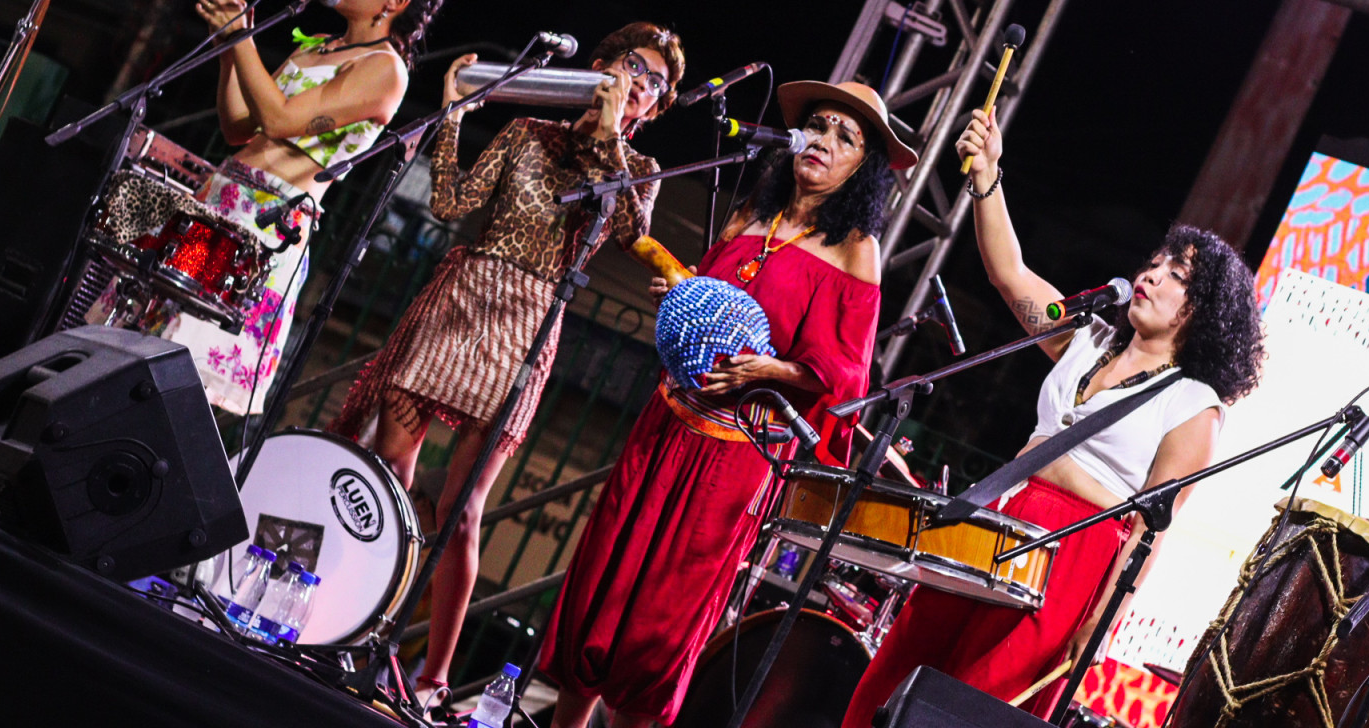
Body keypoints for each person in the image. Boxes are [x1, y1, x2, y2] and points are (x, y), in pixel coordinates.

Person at [839, 109, 1267, 726]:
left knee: (969, 706)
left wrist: (1098, 624)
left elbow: (1153, 528)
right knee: (898, 677)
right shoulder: (1084, 339)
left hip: (1073, 555)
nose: (1151, 275)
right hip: (994, 522)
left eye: (1176, 277)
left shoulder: (1194, 404)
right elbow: (1008, 272)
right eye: (1156, 262)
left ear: (1201, 314)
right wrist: (988, 174)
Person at [537, 80, 916, 728]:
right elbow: (708, 314)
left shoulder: (855, 248)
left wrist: (769, 368)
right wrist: (681, 296)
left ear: (863, 167)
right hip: (668, 425)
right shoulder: (750, 217)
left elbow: (847, 376)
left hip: (735, 458)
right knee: (605, 585)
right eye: (819, 125)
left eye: (843, 136)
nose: (822, 140)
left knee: (661, 620)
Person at [326, 22, 685, 702]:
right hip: (462, 296)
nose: (644, 83)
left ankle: (433, 677)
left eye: (658, 83)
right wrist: (456, 119)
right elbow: (449, 201)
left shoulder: (639, 171)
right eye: (636, 66)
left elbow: (632, 234)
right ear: (603, 65)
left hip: (528, 323)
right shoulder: (526, 132)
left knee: (462, 510)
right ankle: (354, 615)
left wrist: (608, 134)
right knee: (388, 471)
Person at [134, 0, 437, 413]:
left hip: (266, 226)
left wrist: (245, 39)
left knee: (177, 373)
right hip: (220, 201)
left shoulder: (385, 69)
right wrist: (230, 45)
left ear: (395, 3)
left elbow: (278, 120)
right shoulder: (317, 46)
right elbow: (239, 125)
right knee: (139, 346)